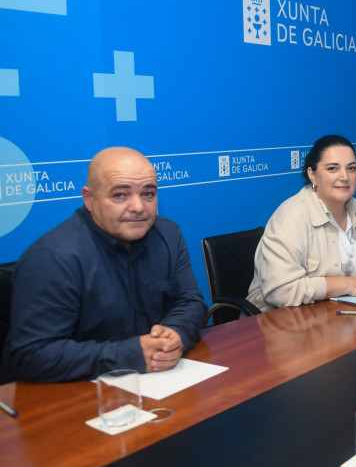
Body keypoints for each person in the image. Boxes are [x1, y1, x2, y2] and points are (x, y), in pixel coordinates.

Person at [0, 147, 207, 383]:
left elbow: (189, 301)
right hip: (70, 396)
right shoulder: (52, 257)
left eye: (148, 194)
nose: (139, 207)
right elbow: (32, 356)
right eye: (120, 195)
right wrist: (133, 354)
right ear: (89, 198)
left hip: (156, 385)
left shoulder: (168, 234)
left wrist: (176, 332)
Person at [247, 134, 356, 310]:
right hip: (285, 325)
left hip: (347, 318)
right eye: (333, 169)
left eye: (351, 168)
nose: (344, 177)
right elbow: (281, 291)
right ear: (312, 174)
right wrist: (349, 285)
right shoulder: (291, 217)